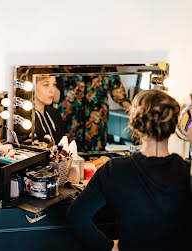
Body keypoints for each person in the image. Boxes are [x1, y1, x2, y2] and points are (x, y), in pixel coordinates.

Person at [67, 89, 192, 251]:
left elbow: (77, 217)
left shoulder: (114, 170)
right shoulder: (186, 171)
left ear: (134, 124)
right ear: (175, 127)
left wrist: (109, 246)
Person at [59, 73, 131, 151]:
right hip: (70, 126)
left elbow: (119, 94)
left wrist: (133, 111)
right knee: (68, 157)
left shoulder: (106, 67)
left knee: (96, 159)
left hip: (96, 129)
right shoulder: (65, 66)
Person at [34, 75, 63, 145]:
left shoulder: (54, 114)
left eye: (54, 84)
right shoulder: (24, 118)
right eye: (46, 85)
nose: (52, 90)